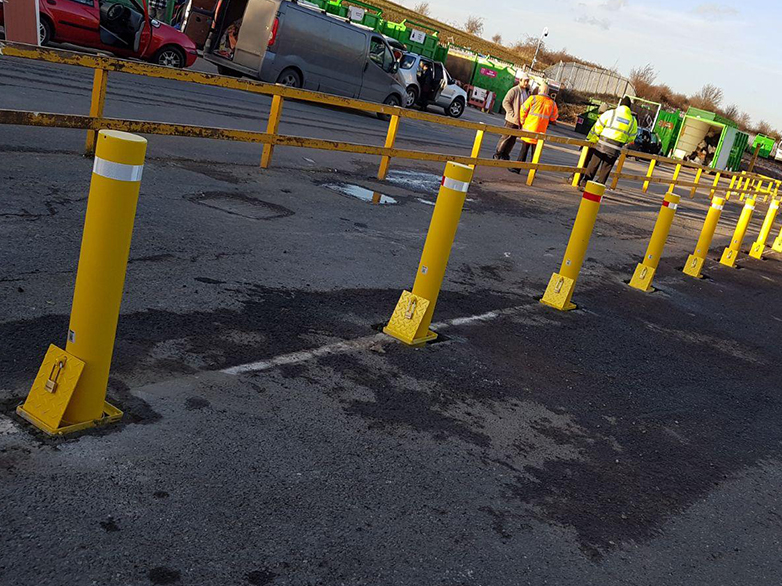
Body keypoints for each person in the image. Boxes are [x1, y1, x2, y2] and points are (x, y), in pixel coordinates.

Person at [579, 96, 638, 186]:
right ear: (629, 107)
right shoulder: (633, 120)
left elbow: (598, 125)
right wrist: (623, 140)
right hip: (616, 147)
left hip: (602, 144)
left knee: (594, 165)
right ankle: (598, 188)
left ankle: (585, 183)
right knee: (606, 168)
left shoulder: (611, 113)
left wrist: (597, 136)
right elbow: (632, 137)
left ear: (620, 105)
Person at [509, 82, 559, 174]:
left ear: (539, 90)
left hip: (529, 129)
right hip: (541, 132)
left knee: (524, 150)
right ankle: (533, 172)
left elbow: (523, 110)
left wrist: (523, 122)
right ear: (547, 92)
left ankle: (517, 168)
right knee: (535, 153)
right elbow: (554, 117)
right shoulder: (552, 103)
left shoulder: (533, 99)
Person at [494, 73, 531, 160]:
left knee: (513, 139)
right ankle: (498, 153)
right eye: (525, 81)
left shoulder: (527, 92)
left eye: (528, 81)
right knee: (506, 137)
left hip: (519, 121)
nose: (526, 83)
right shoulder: (514, 90)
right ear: (520, 80)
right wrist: (512, 113)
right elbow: (505, 102)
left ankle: (505, 154)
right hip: (511, 120)